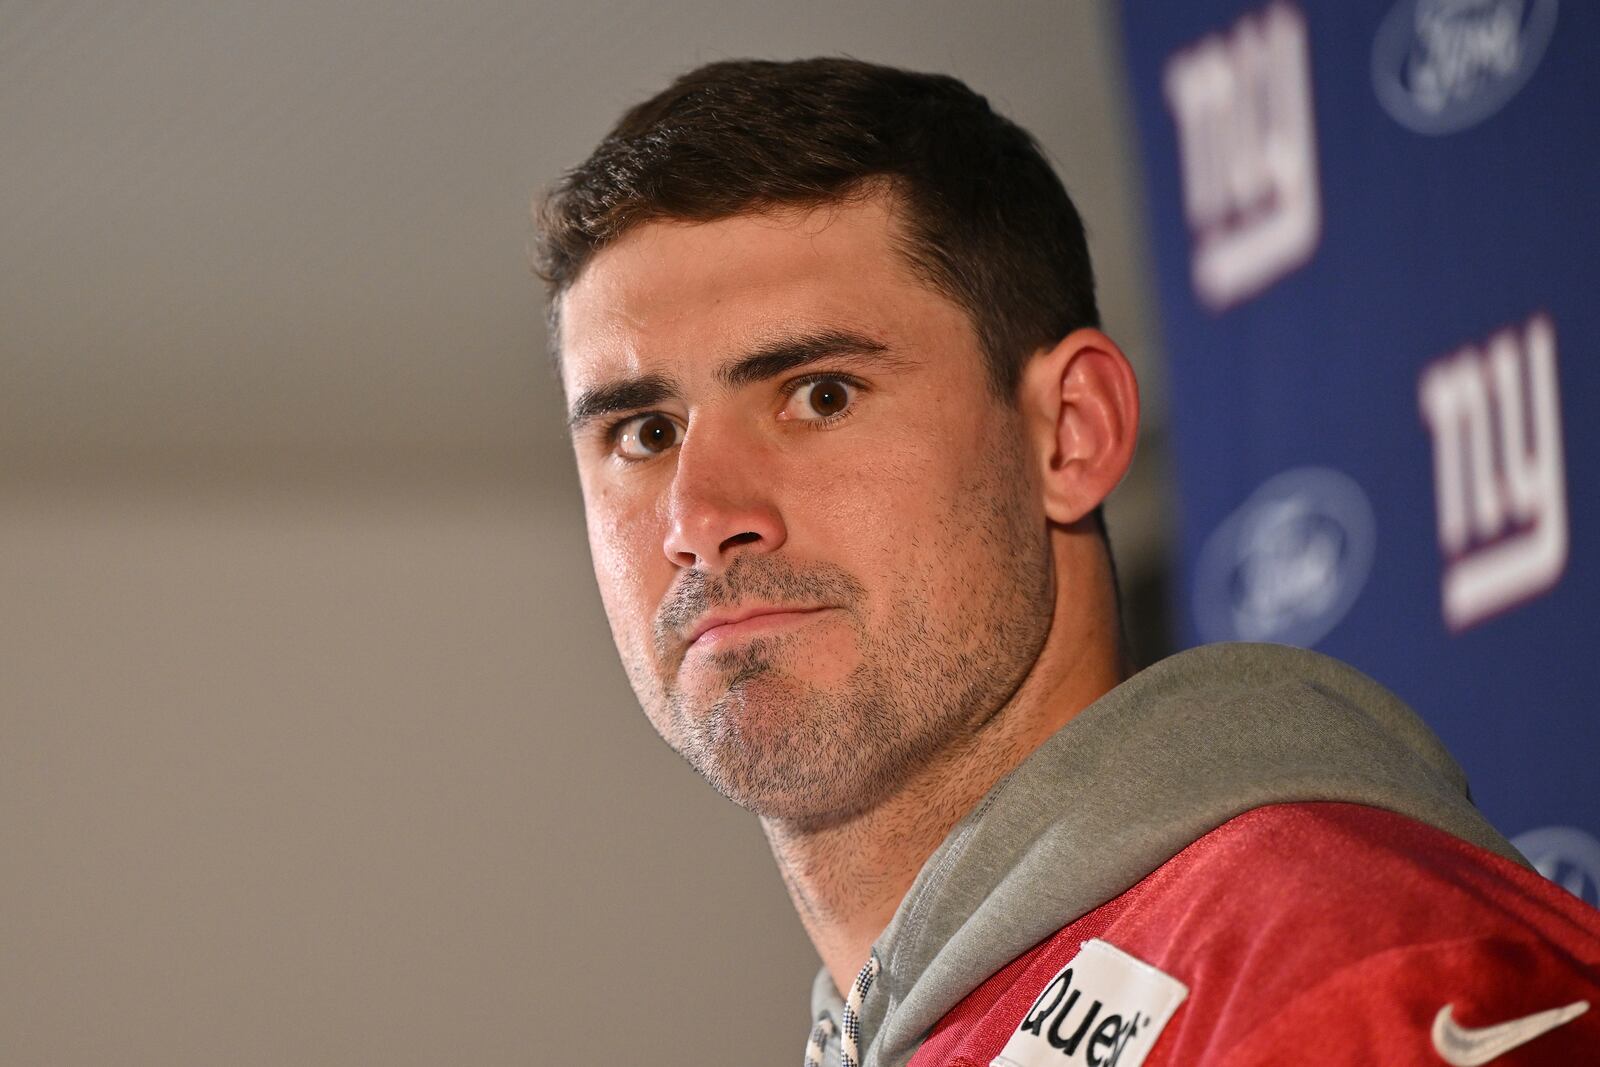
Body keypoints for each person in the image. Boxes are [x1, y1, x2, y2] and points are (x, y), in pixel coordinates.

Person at [533, 57, 1600, 1066]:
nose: (700, 516)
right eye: (642, 433)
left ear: (1070, 433)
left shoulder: (1360, 960)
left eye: (820, 394)